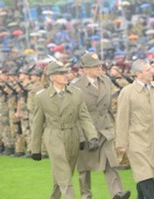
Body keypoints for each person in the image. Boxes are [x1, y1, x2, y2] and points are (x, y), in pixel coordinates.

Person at [31, 61, 99, 199]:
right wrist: (35, 149)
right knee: (63, 171)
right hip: (53, 136)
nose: (65, 75)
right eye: (60, 73)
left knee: (63, 173)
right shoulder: (41, 97)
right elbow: (37, 124)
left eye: (65, 72)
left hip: (72, 135)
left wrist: (92, 137)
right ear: (52, 77)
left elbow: (84, 117)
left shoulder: (76, 94)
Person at [116, 59, 154, 199]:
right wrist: (121, 143)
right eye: (147, 70)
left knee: (151, 175)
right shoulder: (127, 92)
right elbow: (122, 119)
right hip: (137, 140)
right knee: (145, 174)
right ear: (138, 74)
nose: (152, 72)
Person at [74, 52, 130, 199]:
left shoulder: (106, 81)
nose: (99, 68)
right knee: (84, 167)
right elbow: (74, 114)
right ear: (85, 69)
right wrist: (80, 137)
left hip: (105, 129)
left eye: (99, 65)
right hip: (86, 131)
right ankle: (86, 195)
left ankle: (117, 193)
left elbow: (108, 107)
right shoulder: (76, 86)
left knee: (110, 161)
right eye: (95, 66)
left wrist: (114, 126)